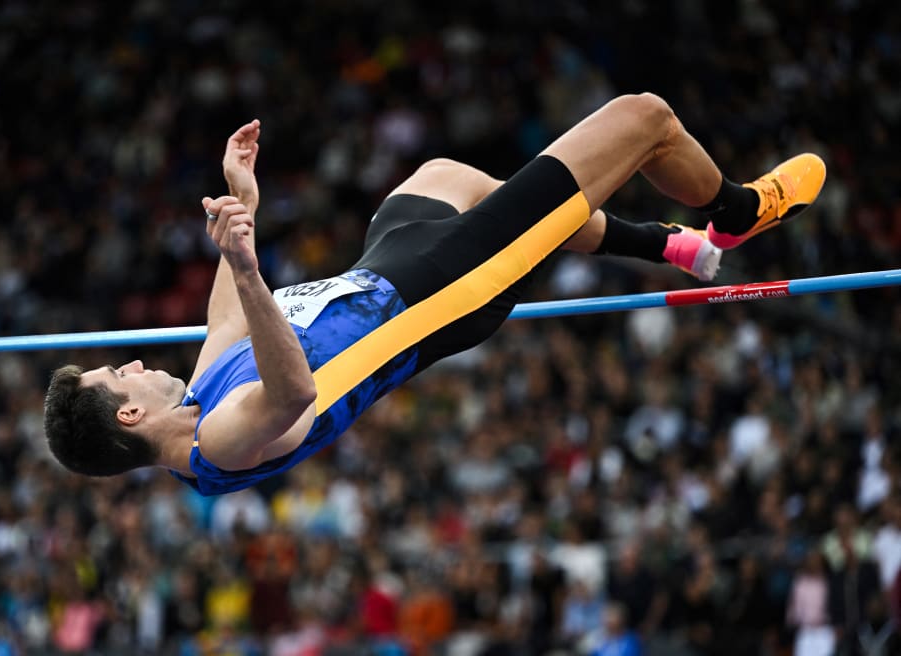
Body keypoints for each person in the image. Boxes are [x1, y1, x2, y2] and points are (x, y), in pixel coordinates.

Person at [44, 94, 826, 495]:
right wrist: (250, 271)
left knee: (445, 176)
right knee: (645, 118)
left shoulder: (204, 390)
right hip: (447, 291)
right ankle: (734, 215)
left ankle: (674, 248)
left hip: (392, 267)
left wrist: (239, 193)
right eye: (121, 373)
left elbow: (226, 317)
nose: (138, 361)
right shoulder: (216, 446)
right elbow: (292, 392)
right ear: (129, 415)